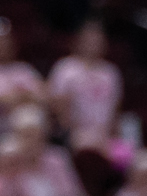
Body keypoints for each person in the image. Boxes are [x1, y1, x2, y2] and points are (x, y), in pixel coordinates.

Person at [47, 24, 121, 156]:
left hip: (104, 133)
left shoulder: (111, 72)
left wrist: (112, 134)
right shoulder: (66, 68)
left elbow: (115, 108)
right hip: (75, 132)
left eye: (97, 41)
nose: (93, 44)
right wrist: (70, 131)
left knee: (127, 156)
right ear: (79, 41)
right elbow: (57, 104)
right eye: (89, 40)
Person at [5, 107, 84, 196]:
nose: (31, 142)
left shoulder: (57, 159)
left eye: (35, 136)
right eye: (26, 136)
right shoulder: (10, 165)